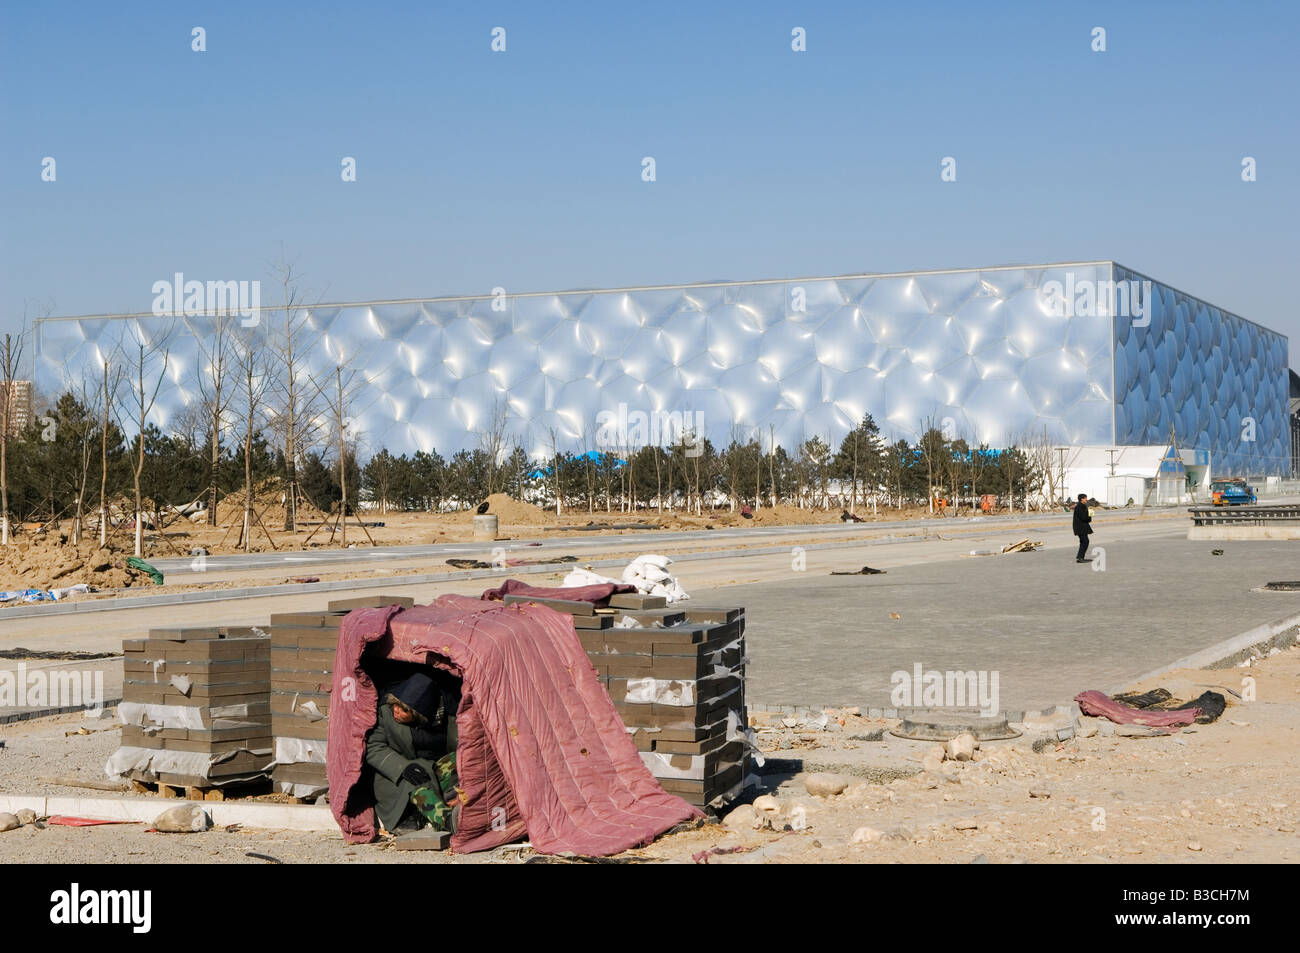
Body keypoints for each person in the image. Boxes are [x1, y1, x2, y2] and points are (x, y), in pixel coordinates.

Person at [365, 671, 459, 834]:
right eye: (395, 704)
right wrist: (402, 767)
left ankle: (464, 805)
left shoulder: (443, 715)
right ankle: (449, 820)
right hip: (398, 774)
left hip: (433, 769)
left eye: (404, 710)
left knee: (462, 760)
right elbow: (374, 747)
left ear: (418, 714)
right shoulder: (385, 713)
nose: (396, 710)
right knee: (418, 784)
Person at [1072, 492, 1092, 563]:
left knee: (1083, 542)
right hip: (1080, 527)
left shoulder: (1081, 506)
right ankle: (1080, 557)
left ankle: (1081, 557)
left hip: (1081, 527)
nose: (1086, 499)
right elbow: (1084, 517)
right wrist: (1090, 515)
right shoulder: (1080, 506)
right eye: (1085, 498)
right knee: (1085, 541)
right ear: (1082, 499)